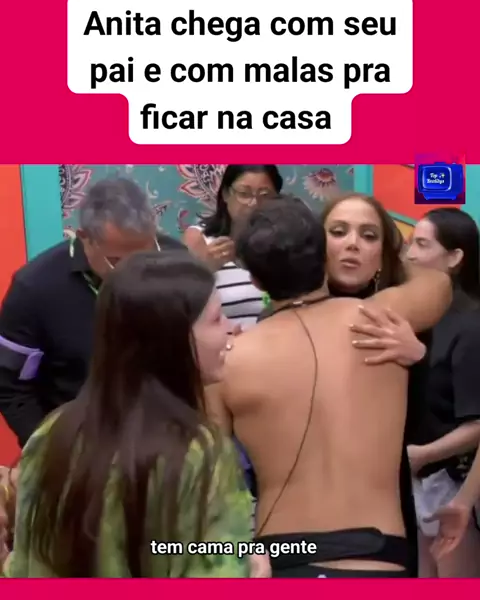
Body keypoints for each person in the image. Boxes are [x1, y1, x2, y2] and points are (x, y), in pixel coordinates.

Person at [207, 195, 452, 577]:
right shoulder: (379, 320)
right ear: (324, 257)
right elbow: (438, 282)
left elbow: (210, 486)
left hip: (281, 558)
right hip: (379, 556)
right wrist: (390, 250)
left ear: (253, 279)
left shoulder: (227, 362)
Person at [2, 250, 269, 578]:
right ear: (171, 338)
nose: (232, 329)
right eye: (216, 319)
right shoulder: (199, 453)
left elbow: (25, 568)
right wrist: (249, 568)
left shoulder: (50, 435)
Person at [0, 177, 188, 448]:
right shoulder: (34, 288)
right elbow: (10, 386)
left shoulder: (177, 262)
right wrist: (49, 451)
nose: (135, 269)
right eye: (117, 260)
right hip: (82, 448)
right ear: (85, 239)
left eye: (147, 255)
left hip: (170, 440)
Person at [405, 208, 480, 577]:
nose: (410, 254)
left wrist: (422, 455)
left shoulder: (471, 326)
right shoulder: (420, 316)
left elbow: (477, 423)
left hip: (457, 483)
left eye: (422, 244)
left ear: (454, 257)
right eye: (410, 244)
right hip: (423, 482)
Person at [184, 165, 283, 332]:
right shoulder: (199, 238)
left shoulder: (283, 242)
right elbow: (181, 306)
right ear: (225, 194)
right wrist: (206, 268)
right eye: (244, 194)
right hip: (222, 344)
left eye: (265, 196)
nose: (254, 203)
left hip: (274, 342)